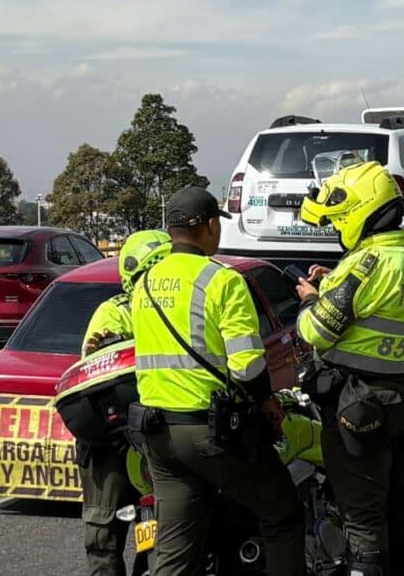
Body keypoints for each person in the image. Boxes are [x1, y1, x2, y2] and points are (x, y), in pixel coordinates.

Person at [129, 186, 305, 576]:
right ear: (211, 225)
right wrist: (267, 403)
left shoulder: (144, 283)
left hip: (158, 434)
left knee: (176, 550)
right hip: (212, 433)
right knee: (283, 515)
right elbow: (246, 365)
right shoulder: (221, 281)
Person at [295, 161, 404, 576]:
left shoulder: (365, 265)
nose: (338, 230)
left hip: (361, 405)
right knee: (400, 502)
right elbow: (375, 313)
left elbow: (315, 331)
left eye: (338, 222)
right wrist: (331, 284)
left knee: (362, 516)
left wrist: (310, 298)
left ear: (357, 213)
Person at [77, 229, 170, 576]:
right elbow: (94, 366)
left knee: (177, 526)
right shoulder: (113, 313)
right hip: (114, 440)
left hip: (163, 431)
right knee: (103, 535)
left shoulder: (180, 310)